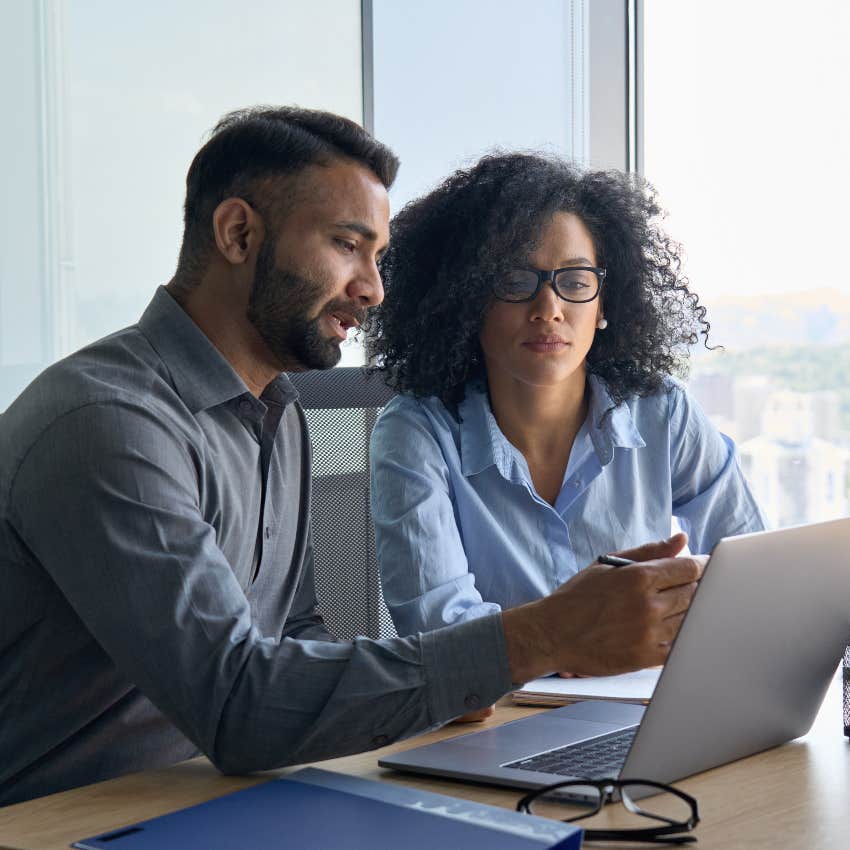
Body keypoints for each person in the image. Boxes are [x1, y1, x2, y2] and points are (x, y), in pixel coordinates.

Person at [0, 109, 703, 807]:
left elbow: (296, 634)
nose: (374, 288)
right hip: (64, 818)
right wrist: (542, 636)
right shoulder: (110, 425)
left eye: (377, 256)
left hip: (219, 799)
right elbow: (239, 706)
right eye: (347, 245)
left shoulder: (277, 412)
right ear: (238, 233)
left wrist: (438, 685)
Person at [368, 154, 765, 716]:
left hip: (647, 713)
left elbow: (749, 571)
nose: (548, 308)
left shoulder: (662, 412)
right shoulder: (416, 434)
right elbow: (443, 639)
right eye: (514, 281)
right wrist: (582, 637)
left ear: (605, 303)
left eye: (576, 281)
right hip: (488, 730)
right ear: (466, 300)